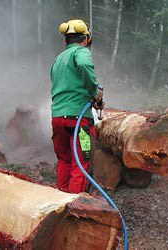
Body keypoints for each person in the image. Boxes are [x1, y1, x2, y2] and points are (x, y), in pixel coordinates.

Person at [50, 19, 104, 194]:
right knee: (81, 162)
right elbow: (83, 65)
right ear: (86, 39)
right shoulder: (81, 52)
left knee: (64, 160)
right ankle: (74, 208)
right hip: (78, 121)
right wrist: (94, 91)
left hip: (58, 118)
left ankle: (60, 200)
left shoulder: (58, 59)